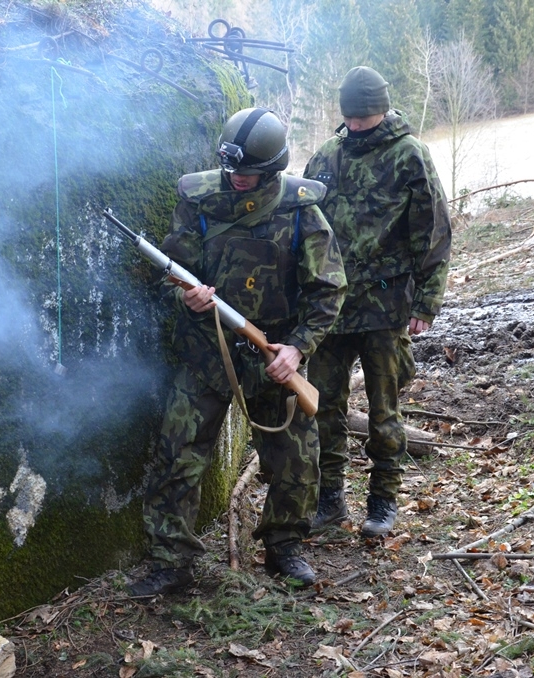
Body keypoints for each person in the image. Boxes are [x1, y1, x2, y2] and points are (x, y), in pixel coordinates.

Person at [128, 107, 346, 596]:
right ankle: (170, 561)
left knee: (296, 457)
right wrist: (186, 296)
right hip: (208, 351)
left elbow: (328, 289)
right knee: (177, 453)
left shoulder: (300, 209)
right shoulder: (199, 200)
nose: (237, 181)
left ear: (272, 171)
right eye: (231, 171)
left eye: (247, 174)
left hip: (274, 358)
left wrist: (297, 348)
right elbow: (170, 272)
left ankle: (284, 547)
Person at [303, 66, 452, 538]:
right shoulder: (326, 156)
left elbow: (433, 231)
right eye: (351, 117)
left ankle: (383, 501)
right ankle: (329, 500)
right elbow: (302, 227)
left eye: (366, 117)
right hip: (331, 306)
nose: (359, 125)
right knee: (324, 406)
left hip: (387, 307)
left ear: (383, 109)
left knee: (384, 410)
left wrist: (426, 303)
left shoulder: (409, 154)